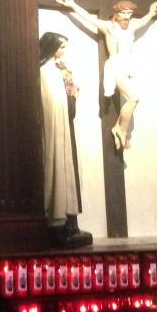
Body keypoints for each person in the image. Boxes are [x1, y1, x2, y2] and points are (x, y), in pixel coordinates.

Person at [55, 0, 157, 150]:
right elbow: (88, 18)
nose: (127, 17)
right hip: (116, 66)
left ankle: (118, 127)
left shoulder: (131, 27)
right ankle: (121, 130)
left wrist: (151, 12)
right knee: (134, 98)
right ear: (116, 13)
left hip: (128, 67)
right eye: (124, 13)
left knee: (134, 99)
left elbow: (144, 21)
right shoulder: (109, 27)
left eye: (130, 14)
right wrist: (72, 5)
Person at [39, 32, 92, 248]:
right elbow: (51, 101)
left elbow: (64, 103)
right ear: (51, 47)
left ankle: (71, 225)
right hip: (55, 127)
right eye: (61, 46)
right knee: (58, 169)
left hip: (65, 127)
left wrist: (71, 94)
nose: (64, 51)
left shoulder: (58, 69)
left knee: (69, 170)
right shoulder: (44, 71)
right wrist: (67, 96)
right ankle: (58, 225)